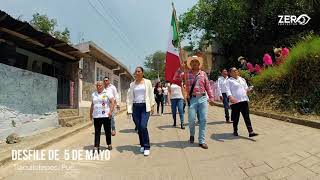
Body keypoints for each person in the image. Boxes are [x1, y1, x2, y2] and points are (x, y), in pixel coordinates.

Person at [185, 56, 215, 149]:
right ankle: (192, 134)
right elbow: (179, 80)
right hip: (193, 99)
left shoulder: (203, 74)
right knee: (191, 120)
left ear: (199, 64)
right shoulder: (186, 74)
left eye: (196, 62)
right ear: (190, 64)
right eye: (192, 62)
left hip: (202, 98)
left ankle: (201, 141)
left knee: (203, 119)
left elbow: (208, 86)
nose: (194, 63)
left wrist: (211, 97)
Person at [126, 66, 155, 156]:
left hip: (144, 106)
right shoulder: (132, 84)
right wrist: (129, 109)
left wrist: (152, 105)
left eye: (139, 71)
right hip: (135, 107)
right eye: (136, 71)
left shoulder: (147, 82)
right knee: (139, 128)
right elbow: (129, 97)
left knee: (143, 126)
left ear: (142, 73)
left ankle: (146, 146)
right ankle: (142, 144)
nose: (137, 73)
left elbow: (150, 94)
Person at [226, 67, 259, 137]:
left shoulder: (242, 79)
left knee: (246, 116)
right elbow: (227, 90)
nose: (235, 72)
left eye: (236, 70)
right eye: (233, 71)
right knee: (236, 117)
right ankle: (235, 130)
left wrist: (249, 90)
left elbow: (246, 89)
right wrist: (230, 97)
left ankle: (251, 132)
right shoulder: (229, 81)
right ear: (230, 73)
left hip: (244, 100)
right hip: (235, 101)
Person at [90, 81, 115, 152]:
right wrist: (90, 114)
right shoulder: (93, 94)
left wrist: (110, 111)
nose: (98, 87)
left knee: (107, 131)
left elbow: (112, 102)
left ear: (103, 86)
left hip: (106, 115)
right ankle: (96, 146)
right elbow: (92, 104)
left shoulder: (107, 93)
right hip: (96, 116)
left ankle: (109, 144)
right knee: (97, 131)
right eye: (97, 85)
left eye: (100, 85)